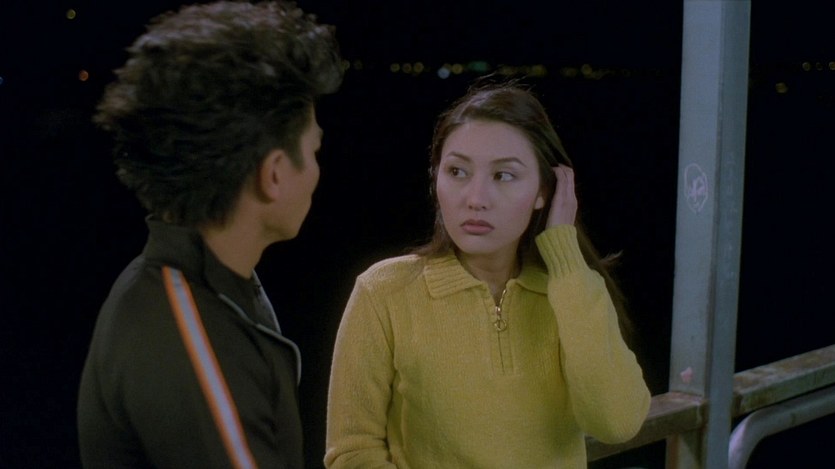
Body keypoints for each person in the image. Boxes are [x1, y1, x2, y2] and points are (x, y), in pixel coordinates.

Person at [324, 81, 650, 468]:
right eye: (457, 171)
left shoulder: (572, 292)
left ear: (544, 192)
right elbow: (352, 452)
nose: (476, 198)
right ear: (436, 179)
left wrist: (565, 257)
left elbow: (617, 423)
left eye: (504, 176)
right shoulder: (384, 293)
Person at [77, 2, 343, 468]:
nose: (317, 171)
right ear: (274, 174)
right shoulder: (187, 335)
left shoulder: (193, 285)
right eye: (314, 150)